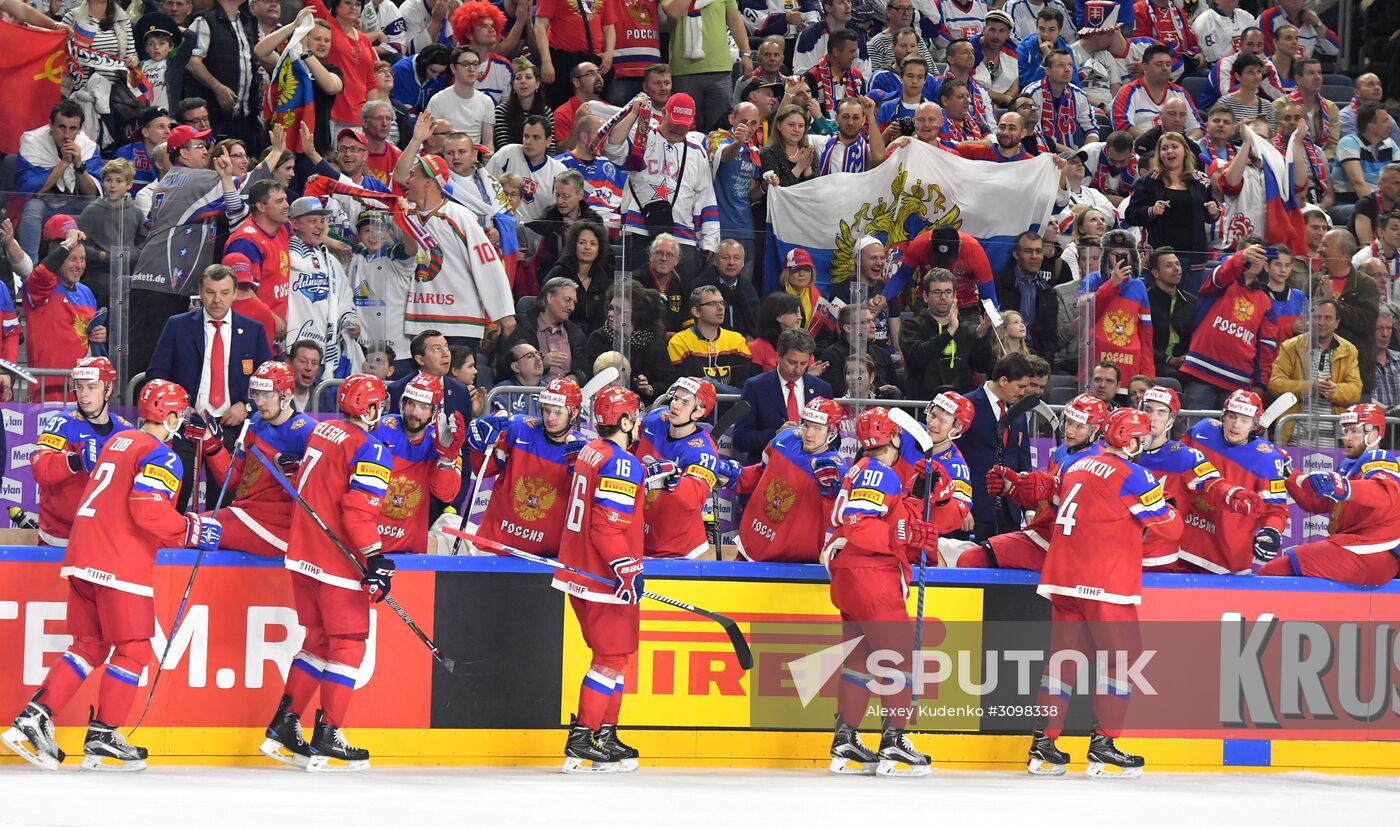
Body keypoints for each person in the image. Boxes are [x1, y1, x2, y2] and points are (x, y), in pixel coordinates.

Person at [0, 380, 221, 772]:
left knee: (89, 644)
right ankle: (103, 734)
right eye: (179, 415)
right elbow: (147, 509)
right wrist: (193, 529)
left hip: (82, 552)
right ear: (168, 416)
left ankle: (35, 716)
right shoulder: (163, 455)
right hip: (119, 561)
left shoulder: (118, 442)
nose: (181, 422)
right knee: (134, 648)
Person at [1028, 407, 1180, 779]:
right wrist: (1170, 510)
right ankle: (1103, 746)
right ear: (1128, 440)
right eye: (1139, 438)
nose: (1141, 444)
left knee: (1063, 661)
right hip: (1104, 583)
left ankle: (1042, 745)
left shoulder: (1077, 464)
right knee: (1120, 662)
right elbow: (1169, 530)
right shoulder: (1136, 474)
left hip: (1062, 578)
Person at [260, 374, 392, 772]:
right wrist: (376, 559)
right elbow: (357, 512)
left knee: (317, 639)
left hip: (302, 554)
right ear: (370, 409)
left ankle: (285, 723)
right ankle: (329, 732)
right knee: (349, 642)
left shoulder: (323, 431)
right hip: (337, 562)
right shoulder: (371, 447)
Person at [822, 406, 935, 778]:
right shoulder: (877, 472)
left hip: (852, 578)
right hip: (872, 577)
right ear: (894, 439)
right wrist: (898, 535)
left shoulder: (860, 469)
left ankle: (846, 740)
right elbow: (859, 525)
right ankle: (893, 742)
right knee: (898, 660)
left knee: (860, 660)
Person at [551, 385, 646, 772]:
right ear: (624, 420)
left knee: (615, 657)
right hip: (603, 577)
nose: (637, 423)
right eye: (634, 416)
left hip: (578, 572)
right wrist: (625, 568)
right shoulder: (623, 464)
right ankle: (582, 738)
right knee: (610, 659)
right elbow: (607, 528)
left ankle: (605, 733)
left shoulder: (593, 451)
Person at [1262, 403, 1400, 585]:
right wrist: (1288, 473)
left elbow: (1386, 493)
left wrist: (1343, 486)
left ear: (1373, 434)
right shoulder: (1347, 466)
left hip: (1373, 551)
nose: (1347, 438)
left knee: (1274, 570)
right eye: (1346, 431)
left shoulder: (1379, 458)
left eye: (1354, 431)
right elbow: (1316, 503)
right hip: (1355, 548)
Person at [965, 393, 1106, 571]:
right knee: (972, 558)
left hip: (1064, 546)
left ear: (1095, 430)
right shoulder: (1063, 450)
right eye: (1069, 422)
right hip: (1043, 534)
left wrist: (1032, 487)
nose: (1070, 431)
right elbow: (1044, 498)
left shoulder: (1096, 463)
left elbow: (1077, 511)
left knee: (971, 559)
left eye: (1079, 426)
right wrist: (1013, 487)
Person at [394, 146, 515, 349]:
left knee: (460, 381)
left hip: (461, 323)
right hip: (419, 323)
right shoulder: (405, 217)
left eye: (413, 176)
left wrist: (503, 312)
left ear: (429, 182)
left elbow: (487, 263)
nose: (407, 181)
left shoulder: (460, 216)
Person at [195, 361, 315, 560]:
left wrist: (297, 474)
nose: (259, 402)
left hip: (276, 528)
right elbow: (232, 480)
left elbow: (320, 493)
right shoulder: (256, 421)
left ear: (285, 395)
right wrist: (209, 441)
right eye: (257, 394)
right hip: (245, 514)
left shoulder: (308, 431)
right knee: (187, 526)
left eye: (267, 395)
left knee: (188, 529)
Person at [603, 93, 721, 270]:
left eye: (684, 125)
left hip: (682, 235)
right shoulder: (643, 135)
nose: (679, 129)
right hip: (639, 230)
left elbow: (705, 198)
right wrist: (634, 113)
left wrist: (710, 241)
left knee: (680, 296)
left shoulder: (697, 150)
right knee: (637, 292)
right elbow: (612, 147)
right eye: (674, 122)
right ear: (664, 113)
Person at [1178, 389, 1289, 574]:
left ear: (1254, 424)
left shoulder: (1267, 459)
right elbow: (1177, 466)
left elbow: (1276, 510)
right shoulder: (1202, 431)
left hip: (1228, 558)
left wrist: (1271, 531)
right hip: (1185, 546)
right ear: (1223, 416)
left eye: (1244, 420)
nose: (1235, 424)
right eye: (1232, 416)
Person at [29, 357, 134, 548]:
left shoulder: (126, 432)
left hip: (104, 538)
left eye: (92, 387)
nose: (84, 394)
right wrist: (75, 461)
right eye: (79, 387)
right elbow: (41, 468)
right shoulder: (61, 424)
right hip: (61, 539)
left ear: (108, 389)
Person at [634, 376, 739, 558]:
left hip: (678, 545)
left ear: (699, 412)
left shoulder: (703, 452)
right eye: (675, 398)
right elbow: (632, 447)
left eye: (685, 402)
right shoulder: (654, 421)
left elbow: (695, 497)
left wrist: (672, 480)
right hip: (640, 532)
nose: (675, 405)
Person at [732, 397, 846, 563]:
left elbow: (837, 520)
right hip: (753, 544)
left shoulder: (834, 471)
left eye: (817, 428)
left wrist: (830, 495)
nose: (809, 433)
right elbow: (761, 474)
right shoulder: (785, 440)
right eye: (806, 425)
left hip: (793, 560)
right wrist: (736, 477)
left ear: (832, 431)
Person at [1134, 386, 1227, 570]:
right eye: (1148, 410)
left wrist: (1233, 494)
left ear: (1171, 419)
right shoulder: (1120, 449)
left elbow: (1214, 484)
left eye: (1161, 412)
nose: (1152, 418)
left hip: (1158, 559)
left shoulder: (1185, 456)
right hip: (1118, 552)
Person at [371, 373, 464, 553]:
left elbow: (446, 495)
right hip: (370, 543)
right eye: (411, 404)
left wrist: (447, 456)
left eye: (423, 407)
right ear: (402, 404)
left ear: (435, 411)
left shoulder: (443, 441)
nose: (414, 413)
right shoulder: (379, 429)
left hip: (409, 547)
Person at [1176, 244, 1276, 409]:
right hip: (1201, 371)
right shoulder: (1222, 281)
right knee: (1194, 431)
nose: (1255, 259)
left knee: (1232, 434)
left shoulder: (1265, 301)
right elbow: (1222, 274)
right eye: (1252, 254)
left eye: (1260, 256)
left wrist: (1260, 383)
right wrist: (1242, 258)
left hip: (1238, 381)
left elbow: (1267, 347)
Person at [1124, 130, 1220, 293]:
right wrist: (1151, 211)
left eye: (1174, 146)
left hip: (1193, 258)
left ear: (1184, 151)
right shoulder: (1148, 181)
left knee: (1190, 309)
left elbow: (1210, 214)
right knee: (1156, 310)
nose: (1169, 151)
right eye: (1164, 148)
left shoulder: (1201, 180)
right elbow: (1131, 214)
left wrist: (1213, 212)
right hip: (1158, 259)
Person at [21, 219, 103, 402]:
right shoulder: (39, 288)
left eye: (82, 259)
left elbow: (85, 336)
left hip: (83, 395)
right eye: (72, 259)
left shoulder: (86, 293)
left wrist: (97, 335)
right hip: (48, 393)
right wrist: (67, 244)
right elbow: (42, 273)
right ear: (57, 257)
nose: (79, 265)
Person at [15, 101, 103, 263]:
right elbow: (29, 190)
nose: (67, 135)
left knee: (97, 208)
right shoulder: (32, 142)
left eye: (73, 129)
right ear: (51, 125)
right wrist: (63, 163)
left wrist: (78, 165)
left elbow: (92, 195)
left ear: (80, 129)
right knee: (33, 206)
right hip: (44, 206)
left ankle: (91, 263)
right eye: (61, 127)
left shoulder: (87, 146)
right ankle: (28, 267)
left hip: (74, 205)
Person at [957, 352, 1033, 538]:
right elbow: (954, 457)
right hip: (976, 511)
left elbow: (1023, 460)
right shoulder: (967, 405)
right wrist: (961, 505)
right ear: (1004, 380)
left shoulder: (1019, 411)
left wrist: (1029, 509)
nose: (1023, 392)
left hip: (1010, 512)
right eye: (1020, 386)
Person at [285, 196, 362, 380]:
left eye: (322, 220)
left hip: (323, 351)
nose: (319, 226)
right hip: (290, 347)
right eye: (312, 221)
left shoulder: (330, 262)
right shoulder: (285, 257)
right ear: (294, 224)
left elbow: (343, 298)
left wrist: (349, 320)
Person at [1268, 298, 1363, 446]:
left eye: (1328, 318)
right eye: (1317, 317)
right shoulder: (1290, 347)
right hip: (1295, 437)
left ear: (1337, 322)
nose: (1321, 322)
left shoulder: (1349, 350)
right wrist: (1311, 387)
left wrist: (1334, 390)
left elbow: (1356, 390)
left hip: (1334, 440)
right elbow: (1275, 384)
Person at [734, 329, 835, 462]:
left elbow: (834, 438)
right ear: (779, 356)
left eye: (803, 364)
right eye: (792, 362)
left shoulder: (822, 389)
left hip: (808, 471)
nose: (797, 369)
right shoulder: (756, 387)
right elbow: (740, 439)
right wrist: (776, 434)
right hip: (767, 469)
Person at [901, 267, 995, 398]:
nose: (943, 297)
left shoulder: (968, 329)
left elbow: (984, 366)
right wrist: (950, 331)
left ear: (954, 296)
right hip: (922, 406)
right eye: (937, 292)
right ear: (926, 296)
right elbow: (918, 358)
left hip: (960, 406)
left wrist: (981, 337)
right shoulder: (912, 326)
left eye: (948, 292)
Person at [184, 0, 262, 145]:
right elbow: (192, 63)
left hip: (246, 116)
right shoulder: (204, 20)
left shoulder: (247, 21)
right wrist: (217, 87)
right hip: (215, 116)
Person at [1080, 229, 1155, 379]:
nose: (1120, 258)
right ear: (1106, 257)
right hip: (1096, 367)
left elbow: (1146, 335)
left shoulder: (1139, 287)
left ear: (1132, 257)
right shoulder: (1092, 280)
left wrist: (1148, 376)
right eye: (1115, 254)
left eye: (1125, 254)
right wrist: (1112, 284)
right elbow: (1085, 312)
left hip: (1129, 369)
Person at [1319, 228, 1382, 394]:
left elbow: (1367, 322)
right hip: (1317, 379)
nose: (1320, 250)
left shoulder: (1365, 285)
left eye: (1325, 245)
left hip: (1355, 381)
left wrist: (1334, 302)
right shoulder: (1314, 282)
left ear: (1342, 252)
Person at [498, 278, 589, 384]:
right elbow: (504, 365)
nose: (571, 307)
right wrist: (542, 363)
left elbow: (584, 370)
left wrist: (575, 377)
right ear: (549, 298)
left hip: (566, 396)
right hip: (529, 395)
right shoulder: (521, 326)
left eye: (574, 302)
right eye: (567, 300)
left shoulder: (576, 334)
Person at [668, 285, 753, 390]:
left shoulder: (736, 340)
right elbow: (686, 385)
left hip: (733, 404)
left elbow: (743, 383)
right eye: (712, 304)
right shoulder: (679, 342)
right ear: (696, 312)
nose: (720, 307)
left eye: (722, 303)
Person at [1111, 44, 1202, 139]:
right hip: (1142, 149)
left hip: (1177, 149)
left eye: (1168, 64)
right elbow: (1122, 125)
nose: (1165, 68)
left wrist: (1187, 143)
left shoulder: (1180, 93)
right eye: (1159, 64)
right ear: (1145, 68)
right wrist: (1153, 142)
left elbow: (1197, 127)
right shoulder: (1128, 91)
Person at [996, 231, 1060, 360]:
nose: (1034, 256)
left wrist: (1044, 365)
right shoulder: (999, 285)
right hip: (1004, 355)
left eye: (1038, 251)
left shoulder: (1048, 293)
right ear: (1016, 254)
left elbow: (1049, 337)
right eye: (1028, 251)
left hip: (1035, 357)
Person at [1334, 106, 1399, 227]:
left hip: (1384, 204)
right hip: (1350, 202)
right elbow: (1358, 183)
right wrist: (1378, 210)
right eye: (1385, 121)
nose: (1390, 125)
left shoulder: (1390, 143)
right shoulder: (1348, 142)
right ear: (1371, 126)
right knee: (1369, 213)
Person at [545, 221, 614, 334]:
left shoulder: (602, 278)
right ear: (574, 245)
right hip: (562, 335)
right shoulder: (559, 273)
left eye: (593, 244)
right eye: (582, 242)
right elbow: (546, 310)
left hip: (595, 338)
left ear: (599, 249)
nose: (587, 247)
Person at [1021, 50, 1098, 150]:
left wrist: (1086, 152)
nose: (1067, 69)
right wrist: (1070, 153)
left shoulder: (1079, 94)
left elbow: (1091, 128)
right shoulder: (1032, 93)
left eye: (1070, 65)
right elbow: (1034, 133)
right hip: (1040, 153)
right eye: (1061, 65)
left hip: (1072, 156)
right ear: (1047, 71)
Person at [820, 304, 899, 398]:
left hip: (884, 409)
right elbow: (837, 392)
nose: (873, 326)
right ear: (848, 328)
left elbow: (896, 387)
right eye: (866, 322)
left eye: (872, 321)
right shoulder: (831, 356)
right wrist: (877, 391)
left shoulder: (882, 354)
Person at [535, 0, 605, 107]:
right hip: (561, 59)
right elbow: (540, 25)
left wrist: (608, 53)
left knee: (594, 107)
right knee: (558, 104)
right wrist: (546, 61)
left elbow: (608, 26)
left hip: (591, 58)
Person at [426, 46, 496, 149]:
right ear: (453, 68)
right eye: (465, 64)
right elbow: (430, 141)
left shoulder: (486, 101)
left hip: (474, 158)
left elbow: (488, 143)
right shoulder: (438, 100)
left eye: (475, 64)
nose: (472, 69)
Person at [1144, 247, 1195, 380]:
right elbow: (1141, 341)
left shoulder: (1191, 301)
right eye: (1169, 265)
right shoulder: (1144, 300)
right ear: (1155, 272)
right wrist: (1168, 359)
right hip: (1152, 362)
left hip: (1184, 363)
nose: (1176, 268)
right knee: (1173, 376)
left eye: (1177, 264)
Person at [691, 239, 760, 337]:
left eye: (736, 258)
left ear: (743, 262)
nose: (731, 262)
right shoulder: (701, 286)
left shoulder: (748, 289)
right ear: (715, 261)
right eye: (725, 258)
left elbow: (754, 323)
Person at [494, 58, 556, 151]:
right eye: (518, 78)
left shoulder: (546, 112)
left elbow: (551, 149)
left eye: (528, 77)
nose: (523, 81)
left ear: (537, 84)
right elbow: (504, 147)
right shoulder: (501, 111)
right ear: (513, 85)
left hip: (540, 162)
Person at [1258, 0, 1340, 61]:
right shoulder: (1268, 17)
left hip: (1303, 77)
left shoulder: (1311, 21)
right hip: (1278, 75)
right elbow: (1266, 55)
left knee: (1341, 81)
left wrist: (1318, 24)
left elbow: (1334, 50)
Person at [748, 292, 804, 374]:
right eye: (795, 313)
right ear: (779, 317)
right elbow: (753, 384)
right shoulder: (755, 348)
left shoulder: (803, 345)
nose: (800, 317)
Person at [1193, 0, 1257, 66]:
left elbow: (1258, 47)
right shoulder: (1203, 22)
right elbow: (1213, 60)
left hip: (1250, 66)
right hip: (1221, 70)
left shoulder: (1246, 16)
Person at [1351, 163, 1400, 248]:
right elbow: (1367, 245)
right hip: (1364, 258)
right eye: (1396, 183)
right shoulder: (1365, 204)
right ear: (1381, 185)